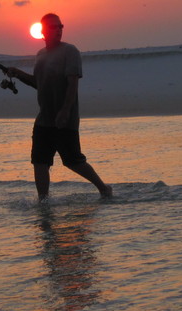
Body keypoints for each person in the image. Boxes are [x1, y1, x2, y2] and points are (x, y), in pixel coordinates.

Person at [7, 13, 112, 201]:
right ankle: (43, 202)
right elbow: (38, 83)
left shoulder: (70, 51)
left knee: (73, 161)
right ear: (43, 31)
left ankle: (104, 189)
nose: (59, 30)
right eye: (54, 27)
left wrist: (65, 111)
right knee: (39, 162)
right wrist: (18, 74)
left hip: (65, 119)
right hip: (44, 119)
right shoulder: (40, 55)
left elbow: (72, 84)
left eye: (61, 26)